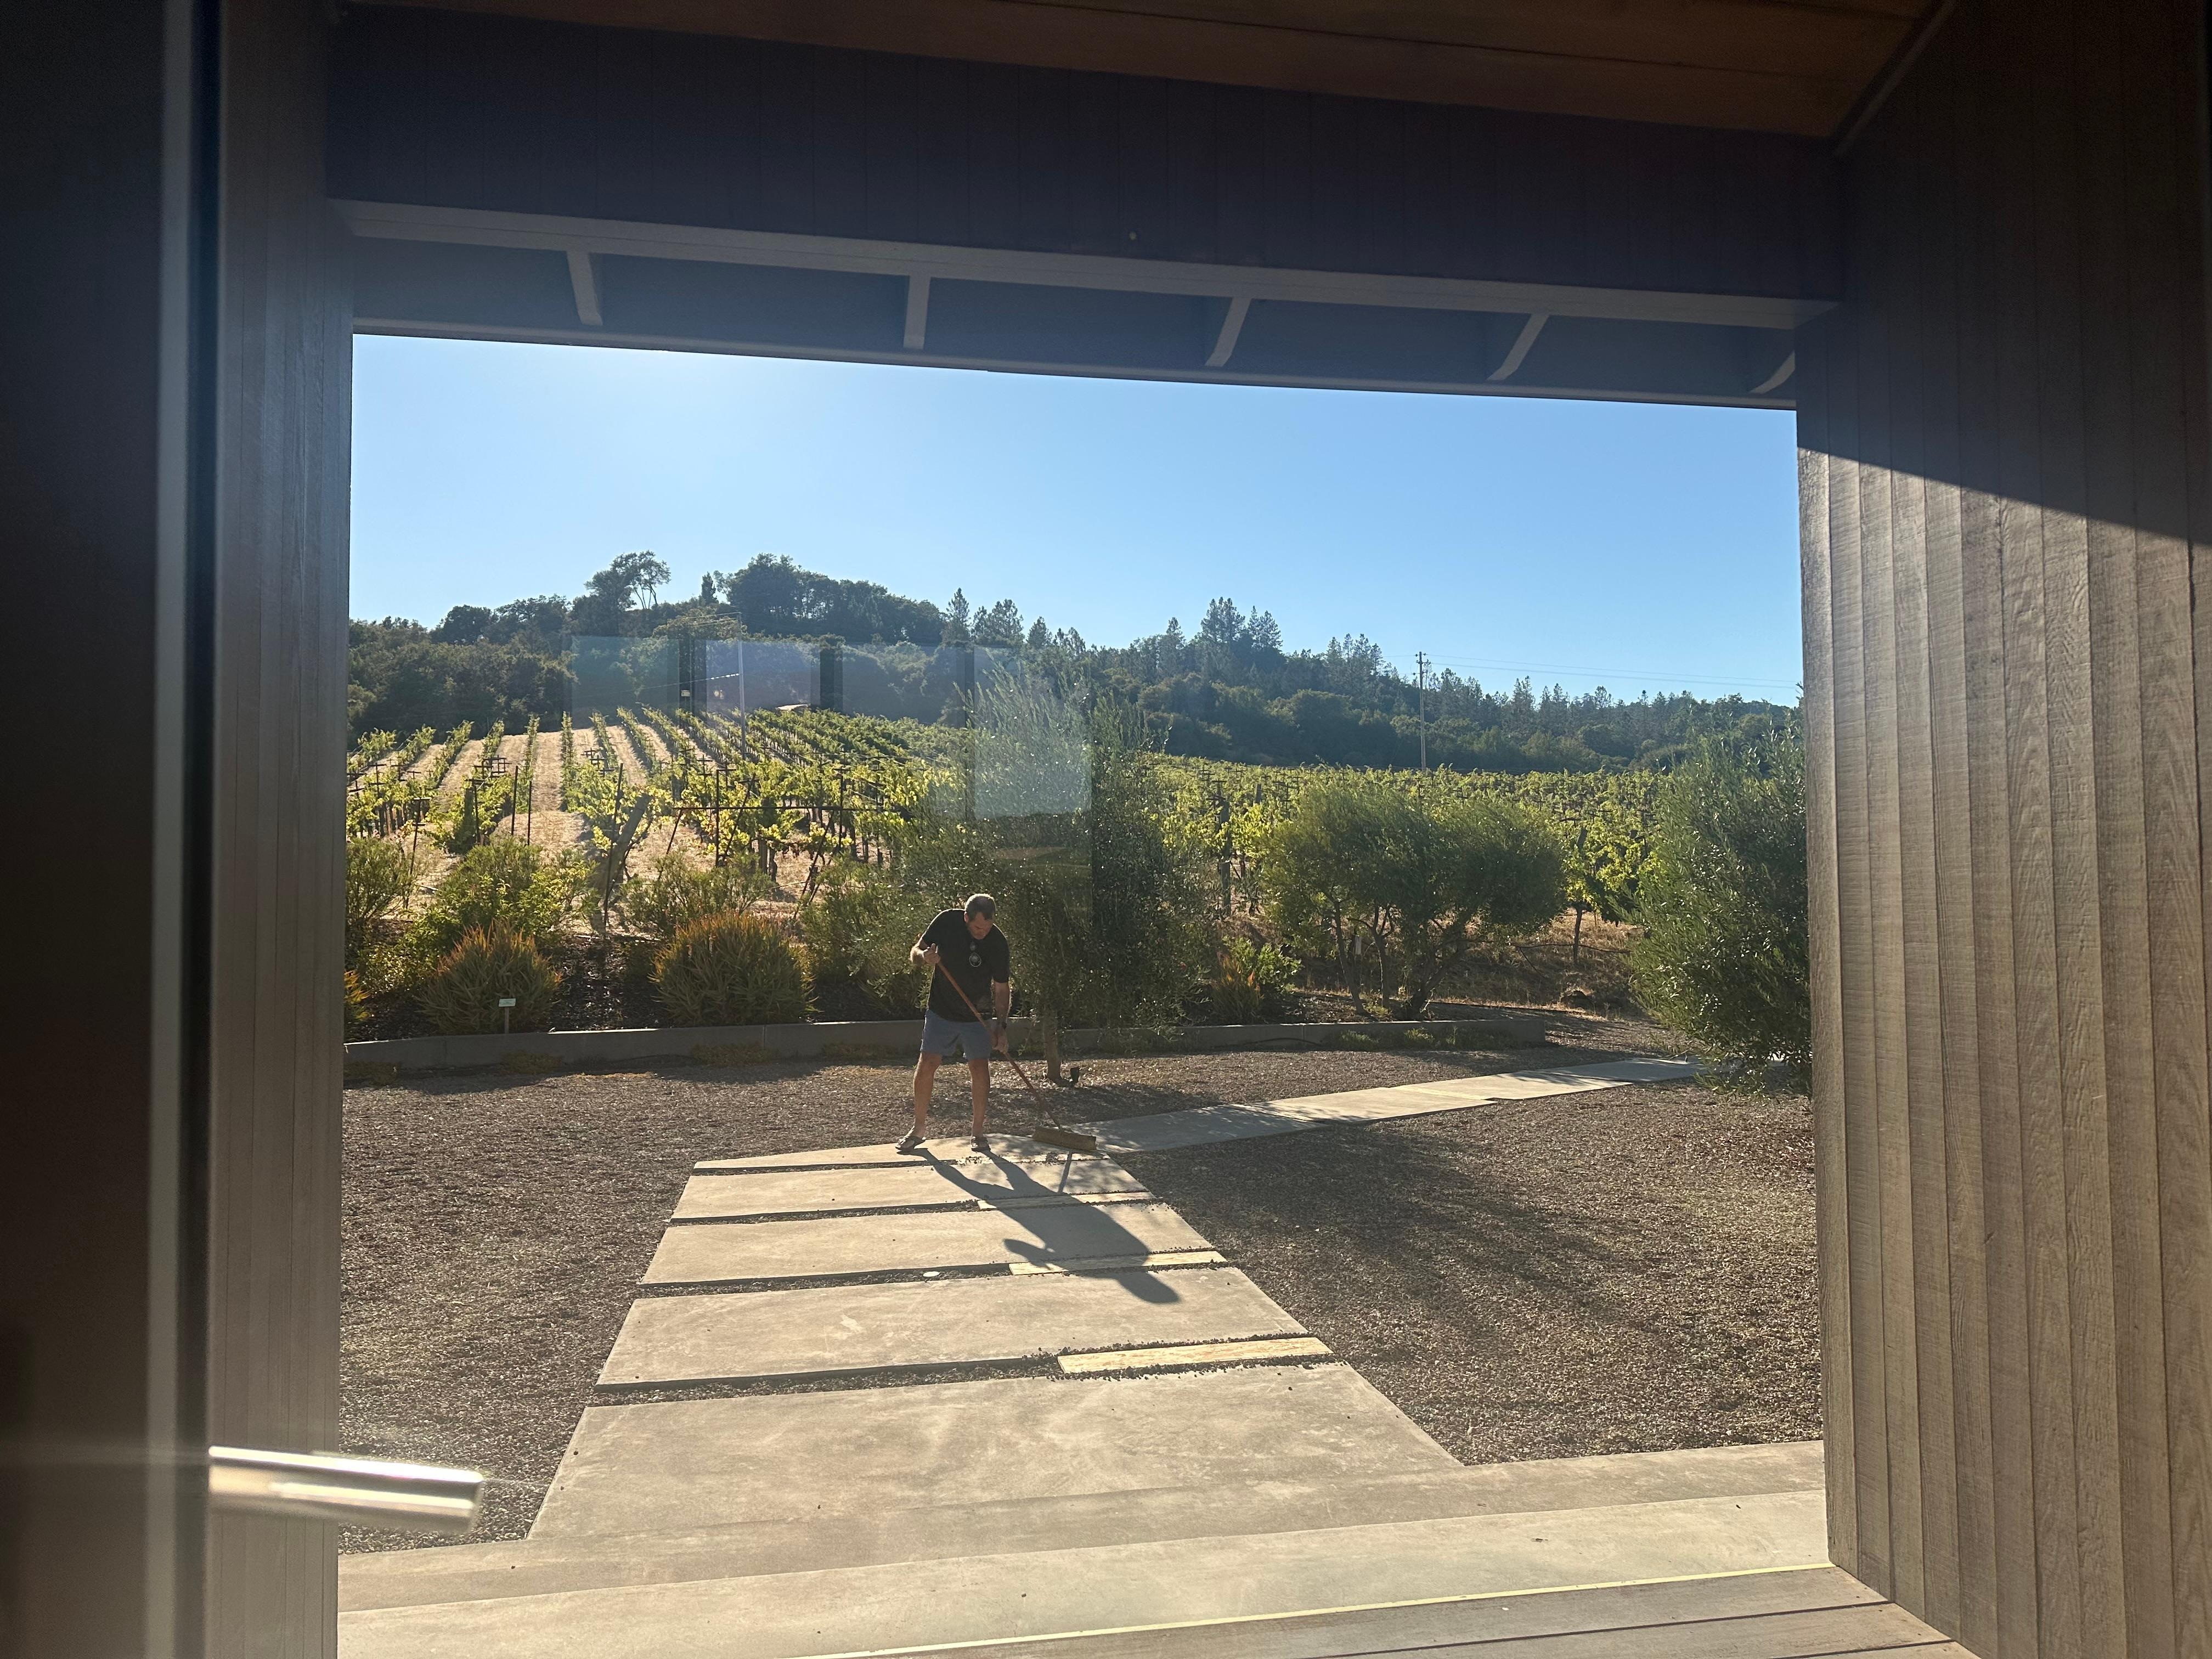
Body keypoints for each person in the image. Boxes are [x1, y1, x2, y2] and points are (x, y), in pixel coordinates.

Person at [900, 893, 1011, 1153]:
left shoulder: (997, 943)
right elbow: (915, 952)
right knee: (928, 1063)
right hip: (942, 1010)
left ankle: (978, 1133)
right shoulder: (946, 922)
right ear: (966, 918)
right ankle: (918, 1131)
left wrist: (1001, 1026)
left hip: (977, 1016)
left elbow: (1002, 988)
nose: (982, 932)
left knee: (979, 1068)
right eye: (977, 927)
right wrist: (925, 958)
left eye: (987, 927)